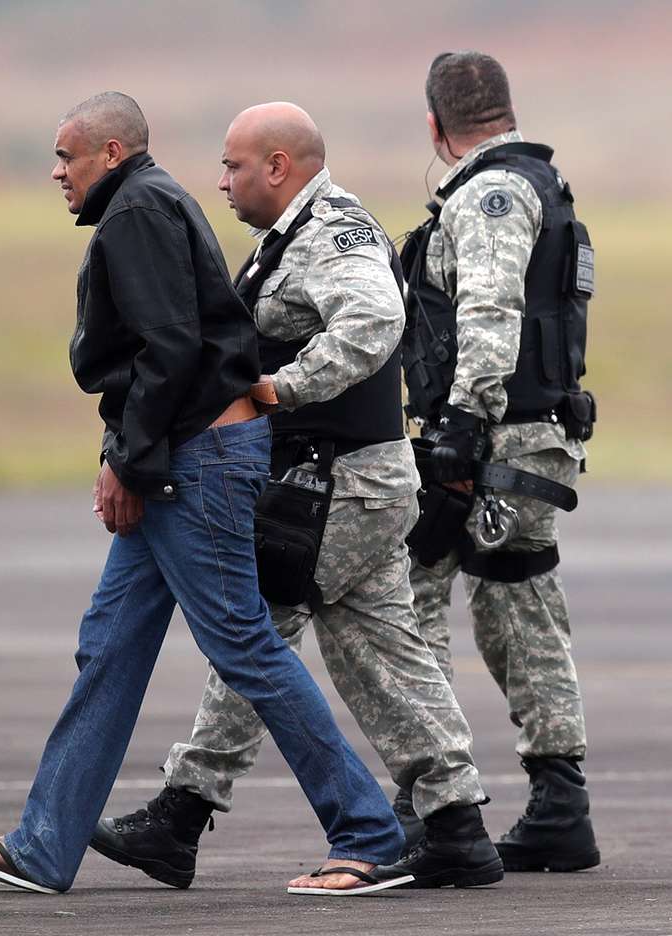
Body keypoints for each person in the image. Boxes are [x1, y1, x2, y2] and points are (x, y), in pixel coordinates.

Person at [0, 91, 415, 897]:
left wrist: (129, 463)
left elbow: (169, 352)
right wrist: (129, 456)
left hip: (197, 462)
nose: (57, 172)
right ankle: (45, 847)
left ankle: (370, 834)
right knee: (111, 643)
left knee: (244, 645)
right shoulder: (148, 204)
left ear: (112, 154)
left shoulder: (137, 212)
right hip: (179, 454)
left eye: (67, 156)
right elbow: (161, 354)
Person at [89, 101, 503, 895]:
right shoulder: (284, 241)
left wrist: (281, 389)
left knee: (253, 632)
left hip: (341, 485)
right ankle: (456, 825)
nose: (221, 181)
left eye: (234, 165)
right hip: (342, 484)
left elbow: (374, 319)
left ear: (278, 166)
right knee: (379, 651)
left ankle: (184, 810)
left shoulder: (332, 234)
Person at [392, 51, 600, 874]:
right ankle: (560, 806)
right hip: (533, 437)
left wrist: (460, 427)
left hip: (490, 442)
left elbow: (488, 307)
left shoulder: (489, 195)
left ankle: (435, 806)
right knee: (520, 610)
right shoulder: (539, 184)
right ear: (506, 112)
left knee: (404, 604)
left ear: (435, 126)